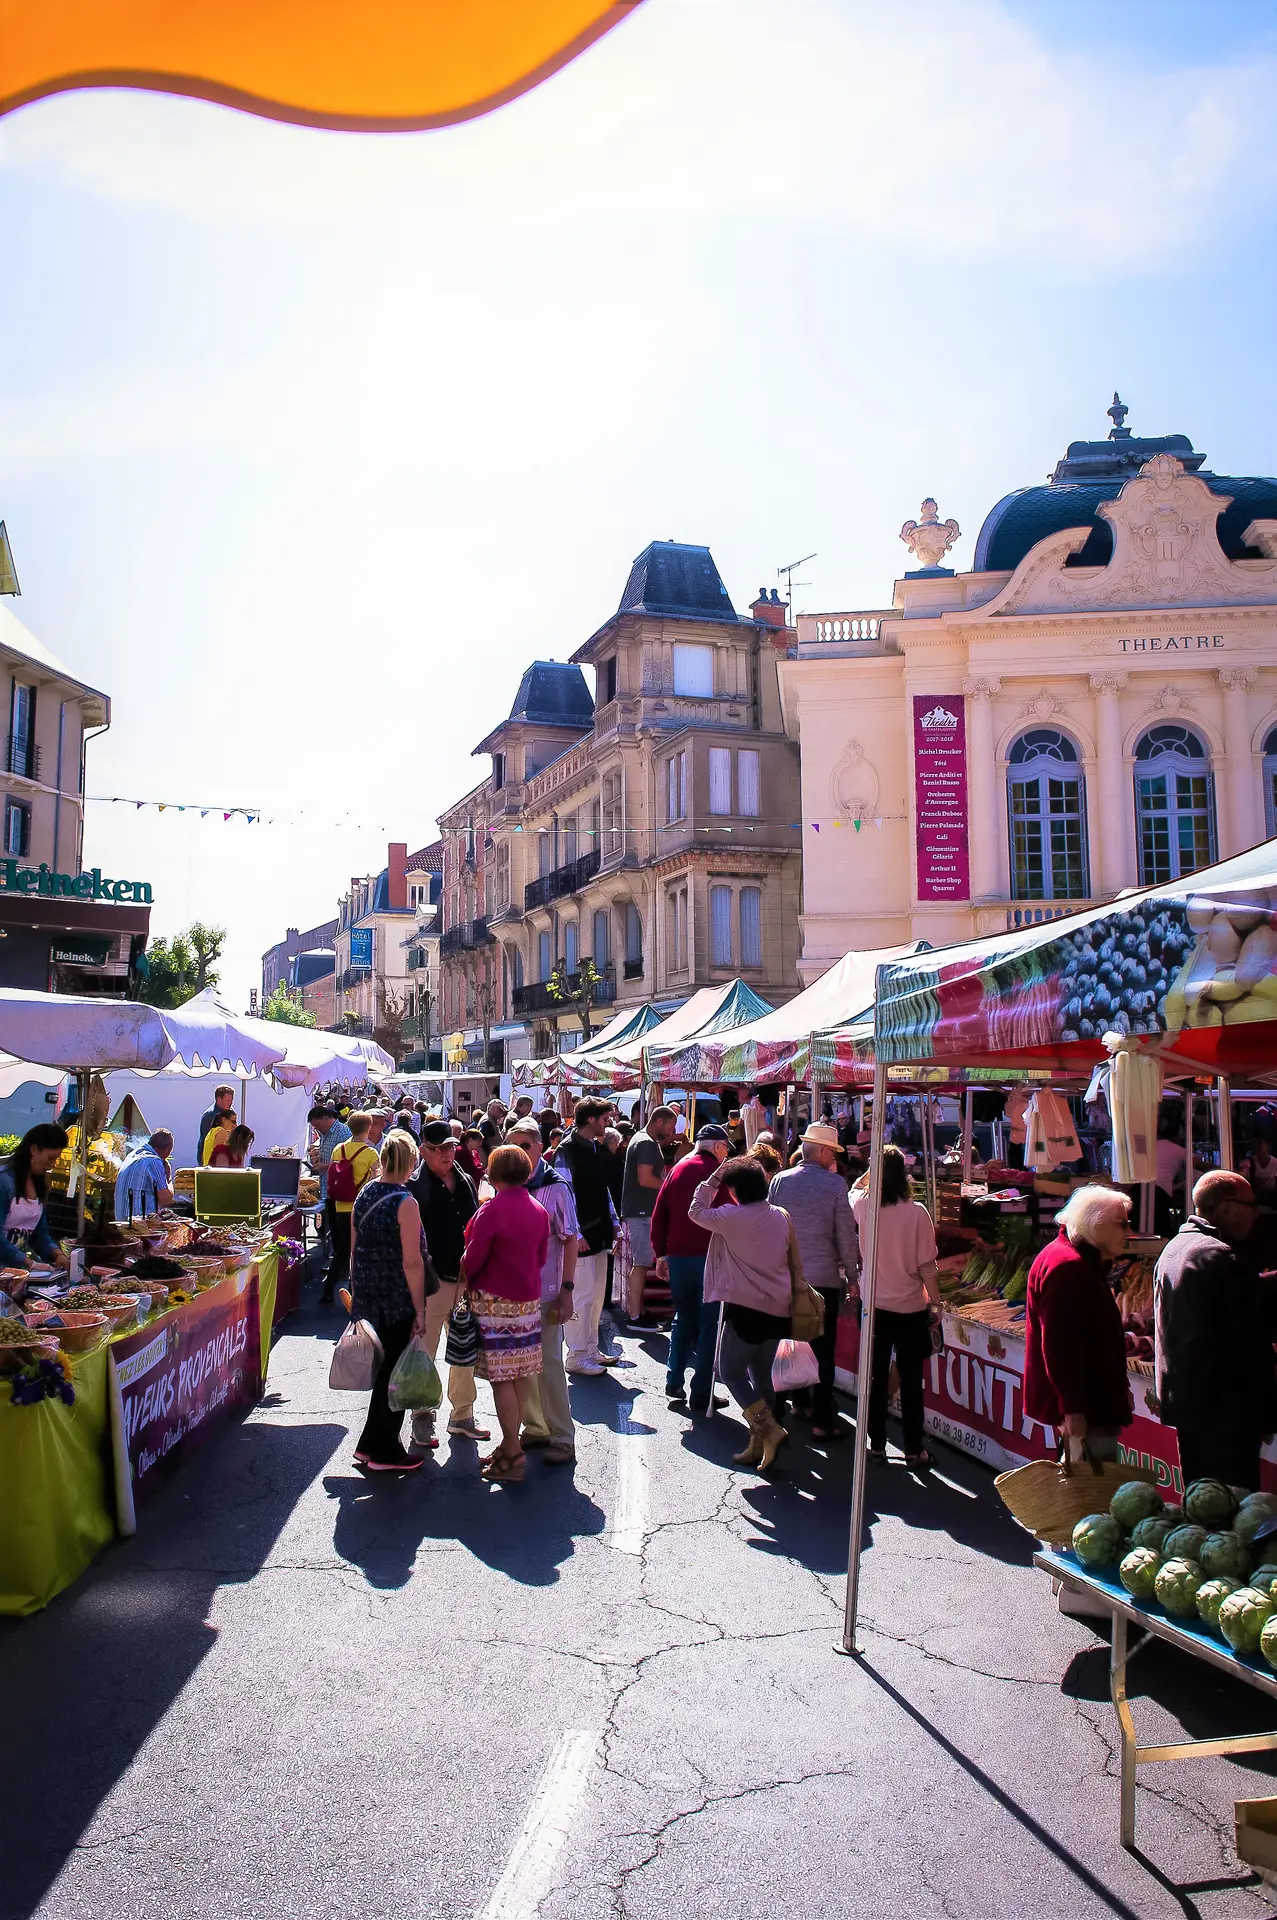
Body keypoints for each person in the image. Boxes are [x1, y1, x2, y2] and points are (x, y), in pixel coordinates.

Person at [1155, 1171, 1277, 1489]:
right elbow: (1251, 1344)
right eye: (1251, 1205)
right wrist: (1265, 1413)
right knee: (1231, 1513)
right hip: (1225, 1414)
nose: (1255, 1213)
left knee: (1203, 1505)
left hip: (1189, 1405)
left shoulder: (1176, 1248)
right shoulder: (1219, 1258)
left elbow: (1207, 1309)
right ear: (1226, 1207)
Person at [688, 1155, 796, 1468]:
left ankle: (769, 1430)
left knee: (730, 1372)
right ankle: (760, 1444)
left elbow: (695, 1210)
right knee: (761, 1376)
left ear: (735, 1189)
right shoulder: (781, 1216)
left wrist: (713, 1179)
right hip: (778, 1307)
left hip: (746, 1307)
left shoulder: (730, 1217)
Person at [1023, 1183, 1132, 1465]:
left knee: (1085, 1483)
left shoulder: (1073, 1259)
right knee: (1090, 1489)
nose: (1128, 1233)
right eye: (1123, 1224)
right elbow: (1060, 1347)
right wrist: (1073, 1409)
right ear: (1097, 1224)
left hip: (1092, 1398)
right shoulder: (1068, 1267)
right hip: (1089, 1403)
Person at [349, 1128, 437, 1473]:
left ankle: (372, 1445)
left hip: (370, 1293)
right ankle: (384, 1449)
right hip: (396, 1295)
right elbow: (412, 1262)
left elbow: (354, 1250)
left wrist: (357, 1292)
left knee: (385, 1372)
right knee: (394, 1376)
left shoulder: (365, 1193)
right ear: (411, 1161)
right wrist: (420, 1309)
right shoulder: (405, 1202)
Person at [852, 1143, 945, 1470]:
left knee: (876, 1378)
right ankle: (912, 1448)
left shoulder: (863, 1206)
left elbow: (855, 1189)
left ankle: (876, 1444)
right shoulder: (917, 1212)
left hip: (874, 1307)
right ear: (904, 1176)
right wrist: (936, 1303)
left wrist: (870, 1172)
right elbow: (927, 1267)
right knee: (910, 1380)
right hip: (909, 1308)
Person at [462, 1145, 549, 1482]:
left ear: (494, 1173)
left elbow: (473, 1258)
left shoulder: (492, 1211)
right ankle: (510, 1445)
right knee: (520, 1374)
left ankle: (513, 1450)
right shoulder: (538, 1208)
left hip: (495, 1300)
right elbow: (541, 1257)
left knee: (501, 1379)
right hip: (527, 1298)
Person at [768, 1123, 860, 1439]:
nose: (833, 1157)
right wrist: (852, 1275)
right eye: (832, 1152)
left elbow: (769, 1224)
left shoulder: (780, 1179)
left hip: (785, 1276)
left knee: (787, 1342)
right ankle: (821, 1418)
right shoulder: (835, 1185)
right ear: (822, 1151)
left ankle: (785, 1407)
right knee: (821, 1348)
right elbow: (845, 1235)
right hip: (821, 1280)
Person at [407, 1120, 489, 1447]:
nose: (445, 1153)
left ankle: (463, 1415)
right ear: (423, 1150)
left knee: (464, 1350)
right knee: (424, 1353)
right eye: (437, 1148)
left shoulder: (466, 1178)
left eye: (449, 1146)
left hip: (464, 1281)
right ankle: (422, 1416)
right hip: (432, 1282)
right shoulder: (415, 1186)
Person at [508, 1118, 578, 1464]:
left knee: (550, 1364)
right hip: (515, 1292)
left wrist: (567, 1290)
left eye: (525, 1146)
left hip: (547, 1289)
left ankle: (563, 1436)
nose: (519, 1154)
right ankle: (536, 1428)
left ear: (539, 1147)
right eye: (513, 1146)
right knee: (524, 1365)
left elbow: (570, 1241)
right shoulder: (508, 1184)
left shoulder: (556, 1185)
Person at [650, 1124, 732, 1409]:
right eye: (725, 1148)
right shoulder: (717, 1175)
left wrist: (661, 1254)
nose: (726, 1154)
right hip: (709, 1258)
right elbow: (729, 1216)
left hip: (679, 1256)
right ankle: (701, 1390)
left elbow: (659, 1214)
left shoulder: (678, 1168)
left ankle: (674, 1380)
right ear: (717, 1146)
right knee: (709, 1324)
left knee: (684, 1318)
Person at [555, 1097, 620, 1375]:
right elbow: (564, 1194)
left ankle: (590, 1350)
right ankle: (577, 1355)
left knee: (595, 1297)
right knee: (581, 1296)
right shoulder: (566, 1151)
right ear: (591, 1119)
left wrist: (614, 1222)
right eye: (605, 1119)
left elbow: (602, 1189)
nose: (608, 1124)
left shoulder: (594, 1147)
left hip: (599, 1234)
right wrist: (576, 1232)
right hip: (580, 1238)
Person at [620, 1105, 678, 1325]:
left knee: (642, 1262)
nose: (672, 1131)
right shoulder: (645, 1143)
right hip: (640, 1211)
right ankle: (635, 1315)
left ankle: (639, 1311)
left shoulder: (645, 1140)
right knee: (642, 1262)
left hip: (640, 1210)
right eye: (671, 1126)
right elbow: (645, 1178)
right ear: (659, 1122)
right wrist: (669, 1186)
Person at [322, 1111, 381, 1305]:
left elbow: (333, 1172)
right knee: (360, 1251)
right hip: (361, 1208)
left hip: (340, 1206)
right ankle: (352, 1291)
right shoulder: (371, 1153)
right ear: (368, 1128)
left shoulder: (339, 1149)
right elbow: (378, 1178)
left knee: (341, 1251)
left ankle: (328, 1290)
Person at [308, 1103, 352, 1285]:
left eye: (318, 1125)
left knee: (340, 1232)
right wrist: (319, 1158)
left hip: (339, 1191)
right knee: (332, 1230)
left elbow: (345, 1162)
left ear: (326, 1119)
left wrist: (325, 1166)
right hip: (328, 1188)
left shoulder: (342, 1133)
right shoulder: (326, 1134)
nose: (317, 1129)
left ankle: (341, 1268)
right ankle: (337, 1263)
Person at [114, 1130, 175, 1221]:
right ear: (167, 1149)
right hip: (139, 1225)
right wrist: (169, 1178)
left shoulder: (132, 1155)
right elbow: (166, 1200)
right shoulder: (153, 1160)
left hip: (121, 1221)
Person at [197, 1084, 235, 1161]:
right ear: (219, 1099)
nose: (231, 1103)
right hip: (210, 1158)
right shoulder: (209, 1116)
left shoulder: (230, 1111)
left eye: (231, 1100)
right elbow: (208, 1141)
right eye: (228, 1101)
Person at [1241, 1137, 1277, 1205]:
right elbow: (1242, 1174)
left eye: (1260, 1143)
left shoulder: (1275, 1163)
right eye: (1255, 1144)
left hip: (1272, 1198)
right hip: (1256, 1198)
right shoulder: (1249, 1161)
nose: (1257, 1146)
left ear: (1268, 1146)